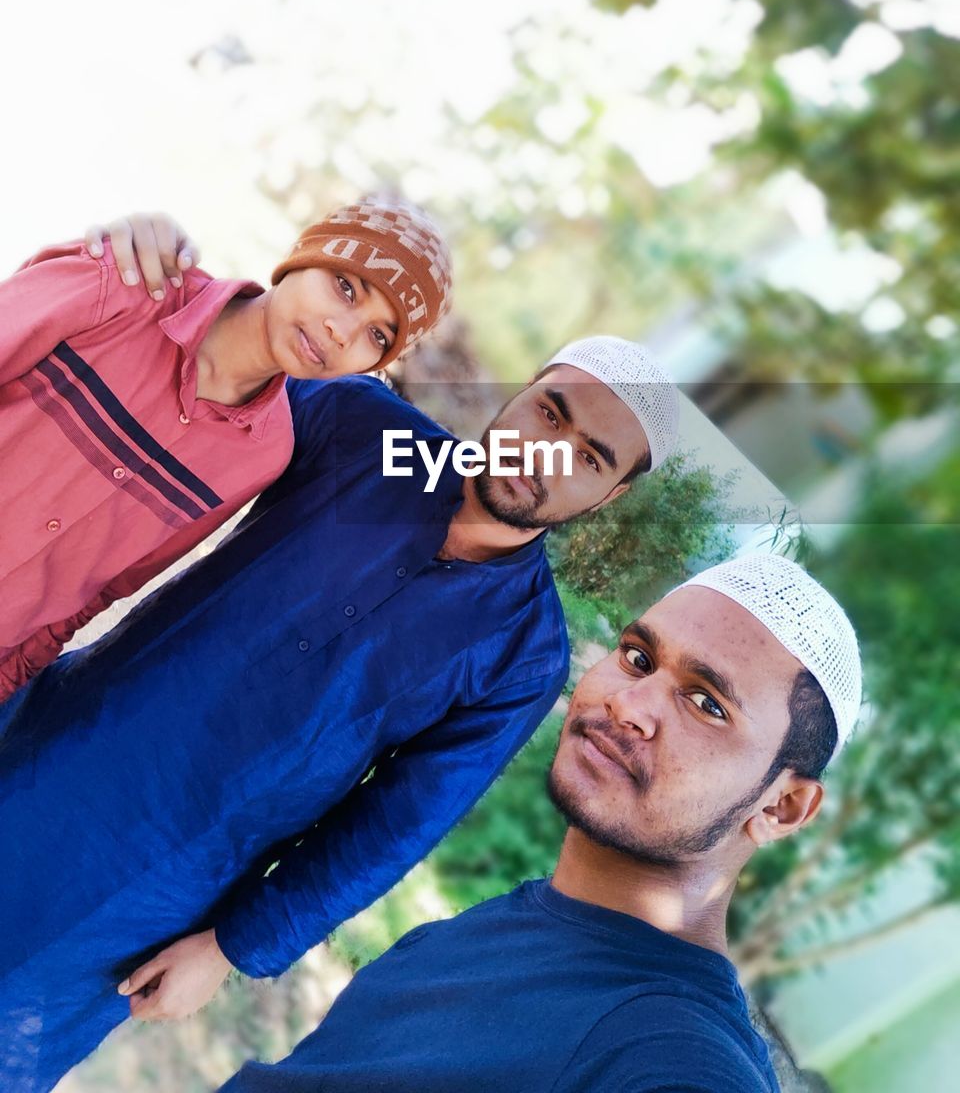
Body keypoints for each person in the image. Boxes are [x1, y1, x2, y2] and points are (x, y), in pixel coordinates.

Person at [0, 334, 679, 1092]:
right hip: (47, 749)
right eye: (549, 413)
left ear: (610, 494)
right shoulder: (370, 437)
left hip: (147, 892)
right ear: (519, 393)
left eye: (589, 458)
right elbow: (207, 397)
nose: (547, 454)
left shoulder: (522, 653)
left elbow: (392, 827)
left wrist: (230, 948)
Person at [217, 552, 861, 1093]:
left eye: (705, 703)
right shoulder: (516, 924)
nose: (628, 704)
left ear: (782, 807)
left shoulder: (670, 1046)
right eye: (638, 657)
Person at [0, 198, 452, 699]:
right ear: (305, 256)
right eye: (346, 288)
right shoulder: (122, 284)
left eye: (376, 335)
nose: (340, 332)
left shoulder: (264, 455)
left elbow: (97, 593)